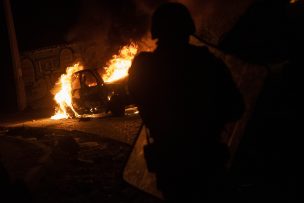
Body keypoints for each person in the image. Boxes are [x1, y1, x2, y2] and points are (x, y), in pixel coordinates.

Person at [128, 2, 244, 202]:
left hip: (170, 163)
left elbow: (137, 96)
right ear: (188, 29)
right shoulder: (208, 63)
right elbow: (236, 107)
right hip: (207, 161)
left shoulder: (144, 67)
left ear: (157, 32)